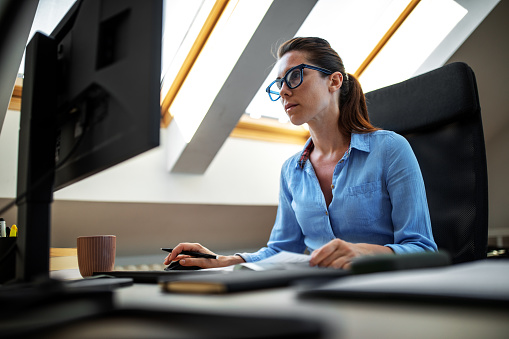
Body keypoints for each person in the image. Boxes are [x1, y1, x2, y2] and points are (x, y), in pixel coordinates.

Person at [164, 37, 437, 270]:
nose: (283, 90)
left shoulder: (390, 149)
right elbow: (281, 250)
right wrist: (222, 261)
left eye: (294, 76)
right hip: (317, 296)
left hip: (385, 294)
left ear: (334, 81)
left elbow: (423, 249)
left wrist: (365, 252)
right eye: (279, 83)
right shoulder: (291, 170)